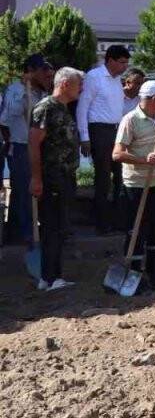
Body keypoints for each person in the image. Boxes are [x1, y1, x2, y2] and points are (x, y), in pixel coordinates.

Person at [113, 81, 155, 289]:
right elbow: (117, 154)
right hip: (137, 186)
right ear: (152, 99)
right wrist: (143, 160)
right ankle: (134, 275)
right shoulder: (130, 120)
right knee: (136, 231)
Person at [29, 67, 84, 291]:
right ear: (64, 84)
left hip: (65, 176)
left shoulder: (63, 108)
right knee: (52, 227)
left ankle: (52, 276)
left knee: (60, 228)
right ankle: (50, 278)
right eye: (78, 84)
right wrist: (36, 178)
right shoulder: (46, 108)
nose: (81, 88)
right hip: (52, 177)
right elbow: (34, 144)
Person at [0, 55, 54, 247]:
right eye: (42, 71)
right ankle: (22, 232)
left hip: (40, 146)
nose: (47, 74)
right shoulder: (16, 90)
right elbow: (6, 120)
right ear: (30, 71)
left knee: (36, 190)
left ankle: (32, 228)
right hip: (21, 146)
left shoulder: (44, 93)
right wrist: (24, 93)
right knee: (23, 190)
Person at [77, 45, 130, 233]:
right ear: (110, 60)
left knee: (120, 177)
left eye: (127, 63)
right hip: (99, 131)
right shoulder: (94, 77)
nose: (125, 67)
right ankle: (101, 223)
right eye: (122, 63)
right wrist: (84, 137)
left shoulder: (117, 81)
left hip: (116, 131)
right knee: (103, 179)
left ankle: (117, 220)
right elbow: (83, 107)